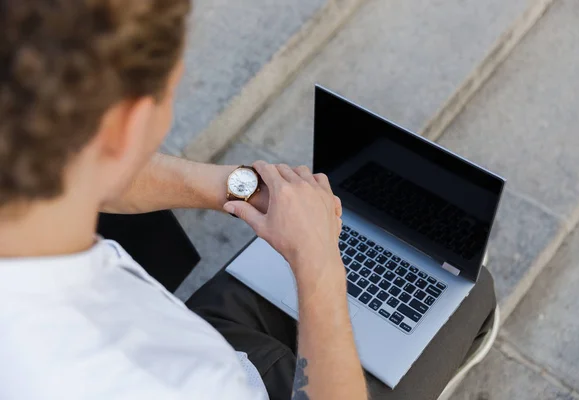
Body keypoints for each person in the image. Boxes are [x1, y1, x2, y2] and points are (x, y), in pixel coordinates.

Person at [0, 1, 496, 399]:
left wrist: (239, 187)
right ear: (126, 128)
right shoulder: (138, 382)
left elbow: (81, 165)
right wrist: (319, 260)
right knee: (475, 292)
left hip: (208, 340)